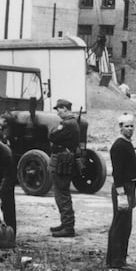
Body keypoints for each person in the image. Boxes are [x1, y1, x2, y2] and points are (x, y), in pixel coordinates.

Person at [106, 113, 136, 269]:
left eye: (132, 126)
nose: (130, 129)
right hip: (123, 188)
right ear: (120, 128)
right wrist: (121, 194)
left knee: (125, 224)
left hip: (129, 187)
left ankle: (119, 259)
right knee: (120, 224)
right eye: (127, 126)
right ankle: (115, 261)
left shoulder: (127, 143)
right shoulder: (119, 146)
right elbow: (117, 173)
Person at [48, 98, 80, 238]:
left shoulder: (67, 124)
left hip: (63, 162)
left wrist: (53, 131)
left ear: (65, 109)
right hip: (64, 160)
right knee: (61, 193)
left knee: (62, 195)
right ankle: (65, 223)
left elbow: (53, 136)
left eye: (59, 109)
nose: (57, 113)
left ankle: (68, 227)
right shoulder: (72, 123)